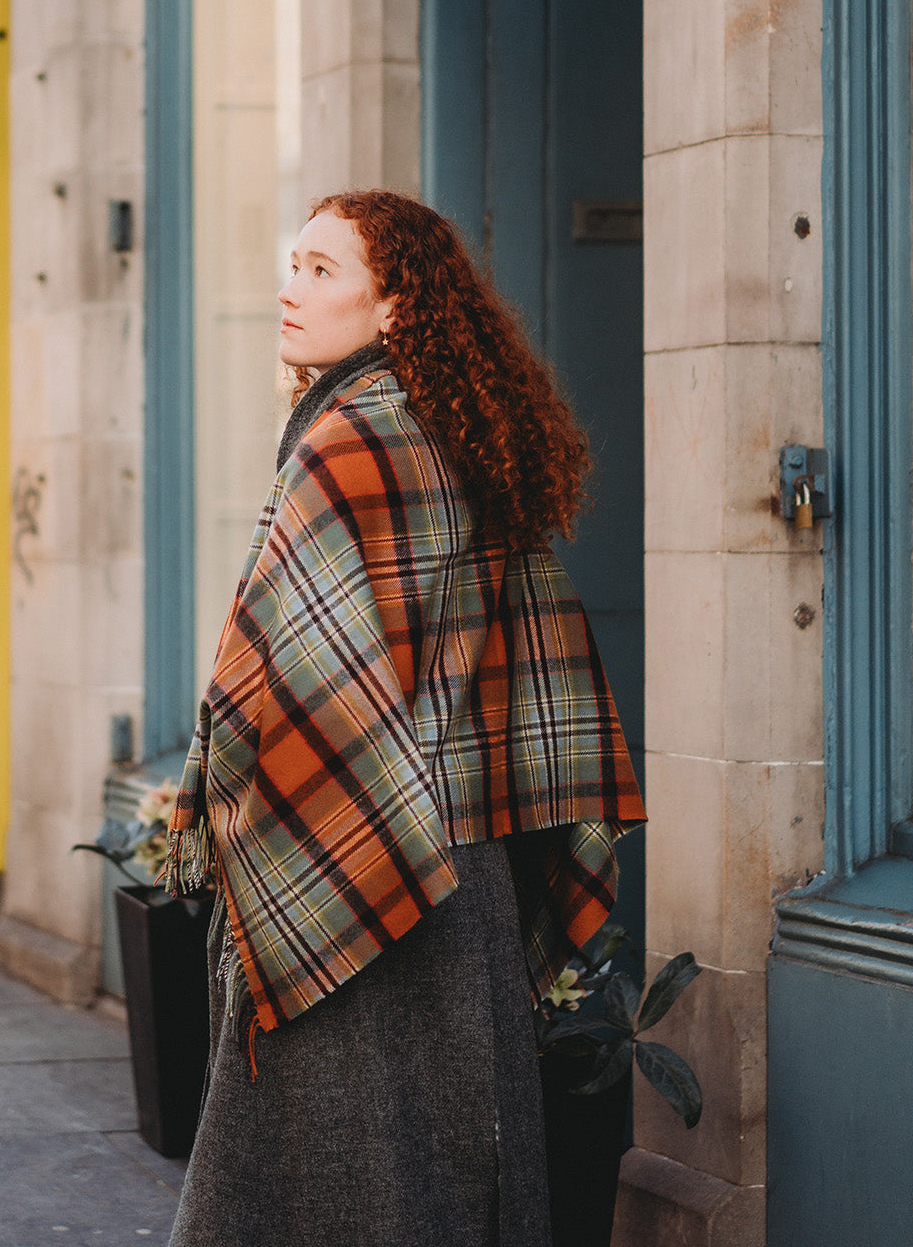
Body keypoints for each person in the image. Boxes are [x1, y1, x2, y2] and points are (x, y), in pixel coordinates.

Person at [165, 191, 645, 1247]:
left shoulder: (347, 444)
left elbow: (274, 681)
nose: (290, 288)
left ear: (395, 308)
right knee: (456, 1159)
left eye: (324, 270)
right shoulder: (456, 433)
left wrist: (215, 808)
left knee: (305, 1179)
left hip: (340, 854)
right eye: (293, 262)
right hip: (456, 870)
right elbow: (529, 666)